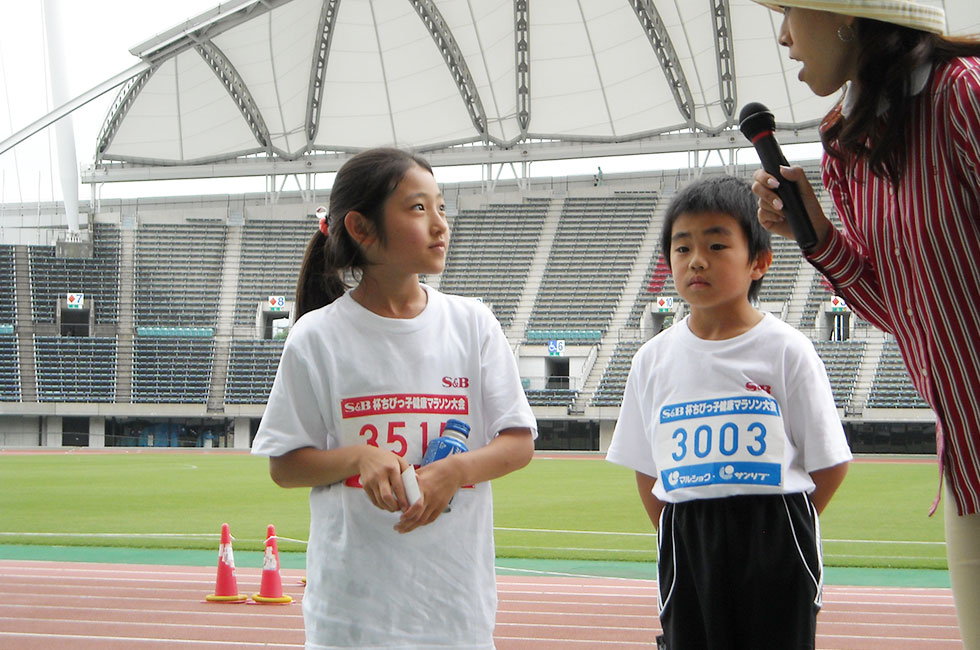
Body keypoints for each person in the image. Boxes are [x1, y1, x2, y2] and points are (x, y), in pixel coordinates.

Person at [748, 2, 980, 645]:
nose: (785, 37)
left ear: (848, 14)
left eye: (791, 12)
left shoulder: (963, 95)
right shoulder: (844, 146)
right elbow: (896, 310)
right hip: (966, 460)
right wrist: (817, 233)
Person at [251, 147, 537, 649]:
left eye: (442, 207)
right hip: (352, 615)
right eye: (418, 208)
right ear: (361, 228)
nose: (440, 224)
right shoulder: (317, 337)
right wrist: (359, 456)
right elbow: (285, 466)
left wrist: (458, 471)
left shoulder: (472, 325)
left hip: (454, 608)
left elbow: (518, 442)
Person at [606, 175, 852, 649]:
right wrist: (683, 532)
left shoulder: (786, 350)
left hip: (776, 532)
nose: (697, 260)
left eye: (717, 245)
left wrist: (771, 524)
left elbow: (830, 463)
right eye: (682, 249)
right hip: (686, 537)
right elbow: (646, 468)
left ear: (758, 261)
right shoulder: (651, 360)